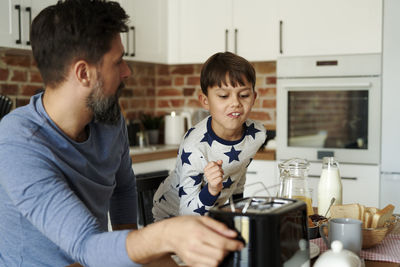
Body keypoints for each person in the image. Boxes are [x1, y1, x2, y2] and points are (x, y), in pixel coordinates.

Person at [0, 1, 243, 266]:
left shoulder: (108, 118)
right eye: (118, 62)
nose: (127, 71)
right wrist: (168, 234)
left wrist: (141, 255)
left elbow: (124, 188)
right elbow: (85, 244)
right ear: (83, 73)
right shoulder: (18, 142)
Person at [152, 52, 267, 221]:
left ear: (254, 97)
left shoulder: (257, 135)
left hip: (212, 215)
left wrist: (240, 216)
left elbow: (239, 172)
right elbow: (187, 213)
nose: (235, 103)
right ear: (205, 101)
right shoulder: (195, 147)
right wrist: (212, 190)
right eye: (223, 96)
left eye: (243, 95)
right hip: (173, 218)